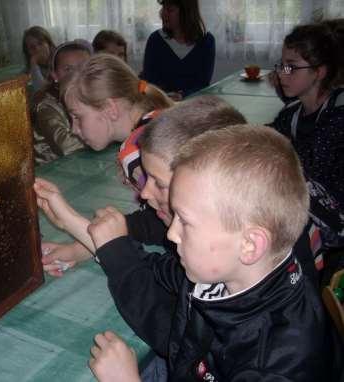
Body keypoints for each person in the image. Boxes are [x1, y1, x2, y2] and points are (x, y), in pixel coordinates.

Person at [87, 125, 328, 381]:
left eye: (185, 221)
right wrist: (103, 243)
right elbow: (160, 271)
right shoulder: (228, 271)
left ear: (249, 245)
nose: (171, 234)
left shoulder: (272, 366)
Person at [38, 96, 248, 278]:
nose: (145, 193)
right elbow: (144, 224)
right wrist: (80, 248)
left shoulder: (211, 261)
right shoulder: (195, 225)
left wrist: (73, 224)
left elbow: (151, 295)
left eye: (159, 183)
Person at [270, 22, 344, 269]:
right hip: (304, 205)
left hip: (334, 221)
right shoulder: (291, 112)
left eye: (292, 66)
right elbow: (268, 141)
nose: (282, 73)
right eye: (281, 64)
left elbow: (312, 176)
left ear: (319, 72)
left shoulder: (338, 117)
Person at [62, 53, 173, 152]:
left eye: (77, 117)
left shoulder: (144, 152)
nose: (74, 130)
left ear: (110, 109)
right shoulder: (157, 123)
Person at [32, 40, 91, 164]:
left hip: (83, 160)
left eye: (84, 67)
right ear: (55, 76)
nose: (77, 74)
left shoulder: (92, 94)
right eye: (68, 69)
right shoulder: (45, 105)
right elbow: (66, 146)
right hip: (53, 169)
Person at [141, 0, 215, 98]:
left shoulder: (206, 41)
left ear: (187, 13)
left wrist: (182, 95)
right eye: (163, 8)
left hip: (192, 104)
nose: (163, 14)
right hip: (161, 103)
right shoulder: (155, 40)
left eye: (170, 10)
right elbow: (148, 81)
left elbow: (203, 84)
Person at [22, 26, 56, 93]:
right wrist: (34, 65)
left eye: (40, 43)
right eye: (32, 47)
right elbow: (40, 91)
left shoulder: (61, 61)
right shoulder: (27, 73)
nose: (37, 49)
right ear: (28, 52)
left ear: (49, 44)